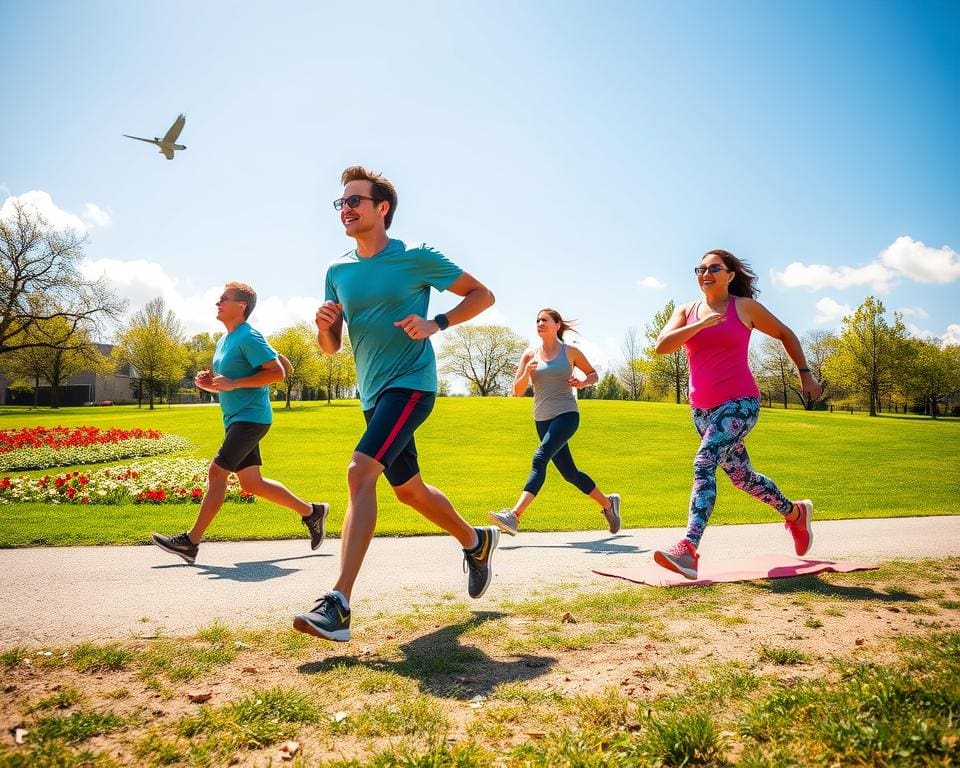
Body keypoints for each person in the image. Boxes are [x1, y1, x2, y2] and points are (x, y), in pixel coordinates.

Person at [293, 166, 498, 642]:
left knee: (358, 470)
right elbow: (331, 348)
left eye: (355, 201)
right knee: (409, 491)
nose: (345, 209)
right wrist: (324, 325)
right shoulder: (337, 270)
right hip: (372, 391)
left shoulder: (415, 258)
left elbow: (482, 294)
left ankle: (338, 603)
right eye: (341, 203)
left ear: (381, 208)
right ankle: (476, 541)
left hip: (411, 384)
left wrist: (437, 323)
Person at [652, 250, 823, 579]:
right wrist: (698, 325)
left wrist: (804, 372)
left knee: (703, 463)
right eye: (700, 269)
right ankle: (794, 513)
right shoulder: (686, 311)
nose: (706, 273)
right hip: (702, 411)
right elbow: (662, 345)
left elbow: (785, 332)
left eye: (714, 268)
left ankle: (688, 548)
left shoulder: (744, 308)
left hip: (740, 403)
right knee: (742, 478)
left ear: (730, 275)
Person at [151, 282, 329, 564]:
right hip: (236, 419)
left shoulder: (248, 336)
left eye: (224, 299)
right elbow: (228, 385)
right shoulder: (225, 340)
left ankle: (190, 542)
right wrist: (208, 384)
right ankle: (312, 512)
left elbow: (277, 372)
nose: (217, 303)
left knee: (217, 473)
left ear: (241, 306)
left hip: (251, 418)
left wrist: (234, 382)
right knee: (253, 484)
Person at [488, 308, 621, 537]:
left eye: (545, 320)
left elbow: (593, 375)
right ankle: (609, 504)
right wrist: (525, 375)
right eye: (537, 320)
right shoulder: (530, 354)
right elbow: (517, 392)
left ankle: (514, 516)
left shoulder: (570, 352)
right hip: (542, 418)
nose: (539, 323)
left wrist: (582, 382)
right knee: (570, 474)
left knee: (540, 458)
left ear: (557, 325)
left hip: (567, 414)